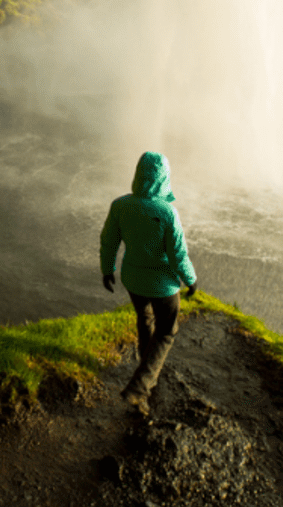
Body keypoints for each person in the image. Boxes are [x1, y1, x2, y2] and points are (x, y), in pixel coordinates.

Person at [100, 150, 198, 413]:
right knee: (166, 332)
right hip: (163, 286)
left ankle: (147, 363)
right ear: (164, 178)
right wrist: (191, 279)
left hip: (133, 279)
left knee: (144, 319)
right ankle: (139, 386)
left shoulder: (120, 205)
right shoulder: (167, 213)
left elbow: (109, 240)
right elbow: (178, 256)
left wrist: (107, 269)